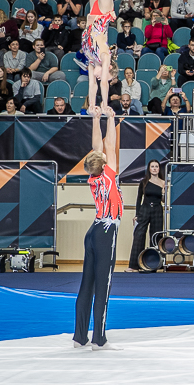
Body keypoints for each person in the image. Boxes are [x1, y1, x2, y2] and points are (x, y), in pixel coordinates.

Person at [74, 106, 124, 351]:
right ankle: (99, 340)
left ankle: (79, 336)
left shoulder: (93, 177)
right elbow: (109, 146)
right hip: (106, 232)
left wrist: (96, 119)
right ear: (104, 164)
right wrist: (111, 120)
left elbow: (97, 148)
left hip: (93, 230)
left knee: (87, 284)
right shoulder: (109, 175)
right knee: (103, 286)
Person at [128, 160, 165, 272]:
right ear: (149, 169)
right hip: (144, 209)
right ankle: (134, 266)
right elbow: (139, 199)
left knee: (156, 237)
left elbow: (164, 200)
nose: (154, 168)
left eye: (156, 166)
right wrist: (137, 215)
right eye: (152, 166)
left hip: (157, 210)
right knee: (139, 236)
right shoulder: (144, 182)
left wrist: (163, 192)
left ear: (159, 169)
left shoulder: (164, 182)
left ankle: (153, 265)